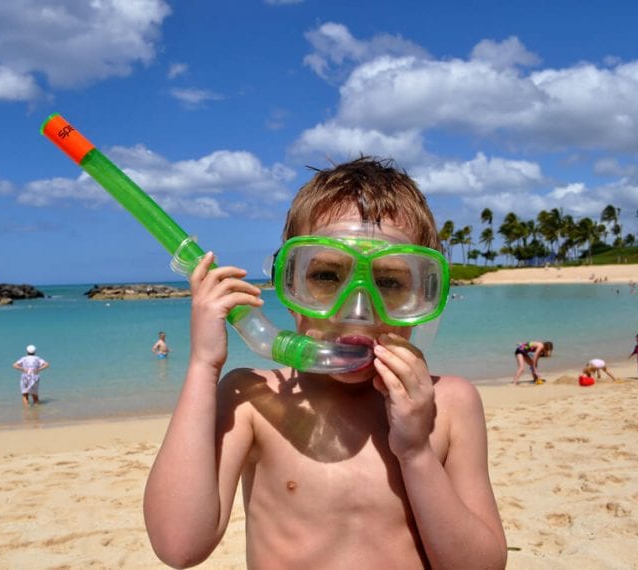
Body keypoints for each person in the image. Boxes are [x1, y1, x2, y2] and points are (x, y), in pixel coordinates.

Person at [143, 158, 507, 568]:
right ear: (288, 282)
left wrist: (417, 452)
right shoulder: (253, 400)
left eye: (389, 282)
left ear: (422, 296)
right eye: (327, 277)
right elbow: (178, 545)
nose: (356, 309)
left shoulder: (450, 405)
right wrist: (203, 366)